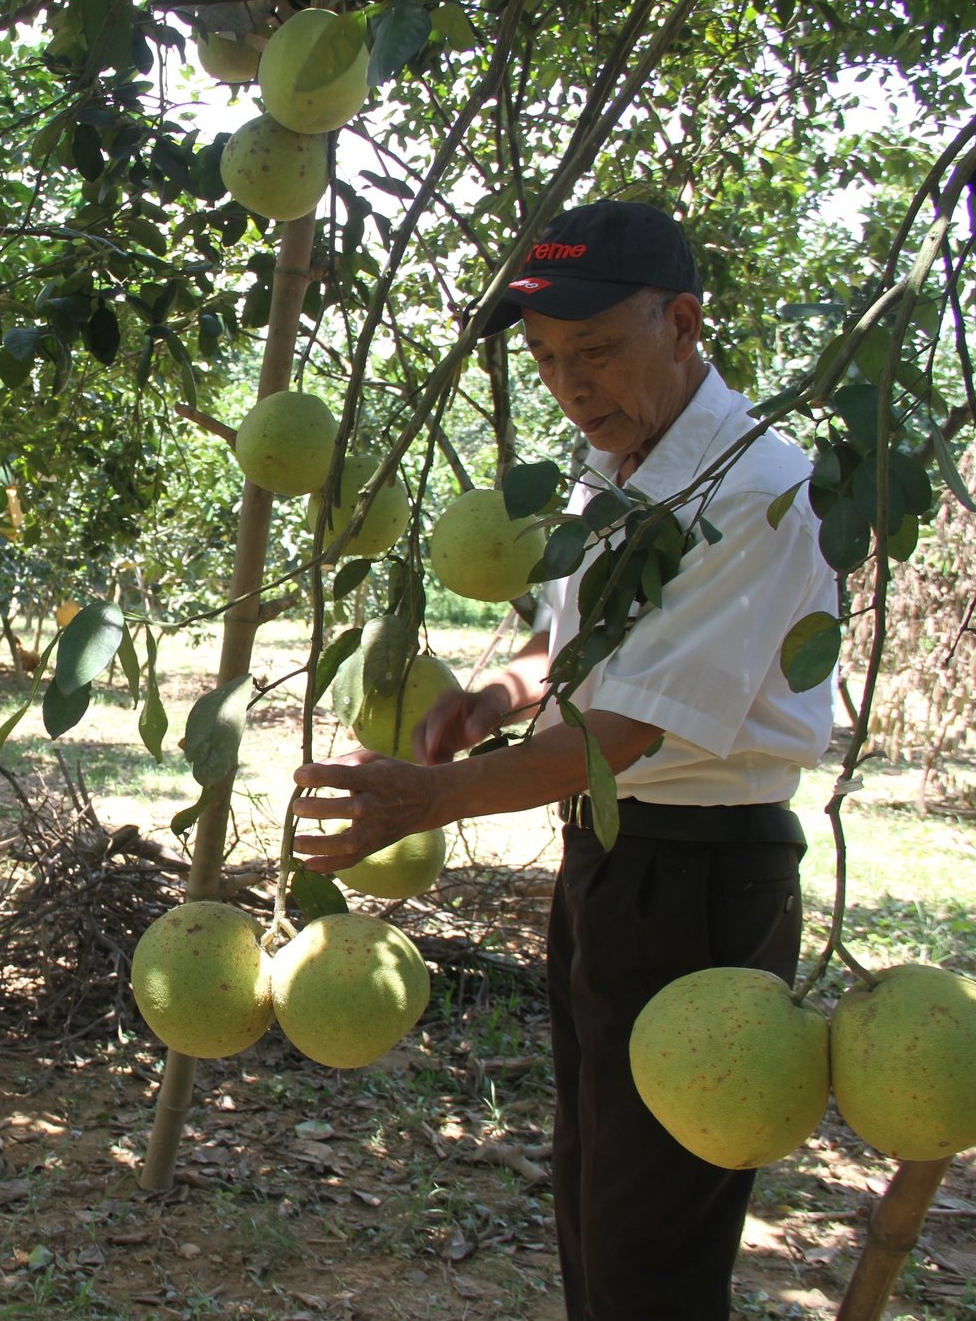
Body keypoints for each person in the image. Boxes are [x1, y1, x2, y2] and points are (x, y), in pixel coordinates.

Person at [291, 200, 838, 1321]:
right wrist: (501, 689)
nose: (568, 381)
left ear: (681, 322)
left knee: (654, 1233)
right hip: (611, 861)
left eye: (593, 348)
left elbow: (623, 732)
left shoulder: (753, 489)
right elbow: (581, 648)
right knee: (595, 1190)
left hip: (700, 873)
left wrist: (428, 797)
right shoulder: (616, 467)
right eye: (544, 357)